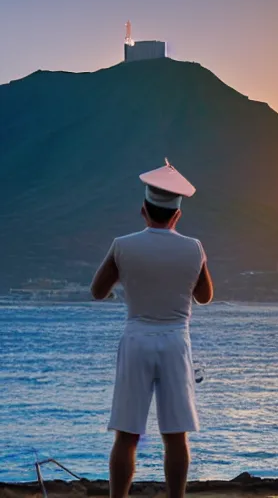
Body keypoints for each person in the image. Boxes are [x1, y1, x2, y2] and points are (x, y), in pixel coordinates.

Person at [90, 160, 213, 498]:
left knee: (126, 434)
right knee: (175, 435)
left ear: (143, 210)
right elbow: (205, 296)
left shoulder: (122, 245)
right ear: (176, 215)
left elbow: (97, 291)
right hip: (175, 342)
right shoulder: (194, 248)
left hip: (136, 340)